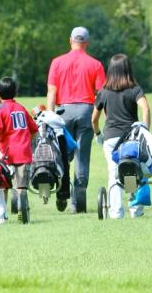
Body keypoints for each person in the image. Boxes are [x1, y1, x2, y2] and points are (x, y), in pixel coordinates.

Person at [46, 26, 106, 213]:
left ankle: (62, 191)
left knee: (62, 154)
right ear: (87, 42)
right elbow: (102, 94)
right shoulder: (95, 64)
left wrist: (50, 116)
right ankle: (78, 201)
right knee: (82, 155)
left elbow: (52, 92)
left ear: (70, 40)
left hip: (63, 112)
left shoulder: (57, 62)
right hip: (86, 111)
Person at [91, 54, 151, 219]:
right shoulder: (135, 90)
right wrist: (145, 130)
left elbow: (94, 119)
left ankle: (116, 212)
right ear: (128, 69)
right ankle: (136, 209)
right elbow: (145, 109)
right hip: (131, 139)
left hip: (110, 139)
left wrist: (98, 134)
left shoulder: (103, 92)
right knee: (132, 169)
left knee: (114, 172)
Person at [0, 77, 38, 225]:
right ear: (15, 92)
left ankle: (0, 215)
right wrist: (27, 141)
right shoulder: (21, 108)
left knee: (2, 185)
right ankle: (23, 207)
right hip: (23, 153)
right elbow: (34, 129)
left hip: (6, 155)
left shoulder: (0, 109)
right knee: (21, 185)